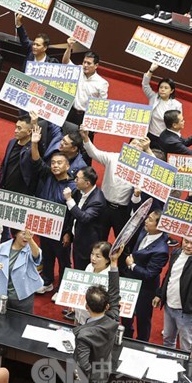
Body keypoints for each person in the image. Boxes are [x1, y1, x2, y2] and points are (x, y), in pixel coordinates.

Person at [72, 244, 124, 383]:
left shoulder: (84, 335)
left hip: (87, 381)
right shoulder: (112, 318)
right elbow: (115, 293)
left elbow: (84, 365)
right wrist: (115, 263)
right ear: (107, 306)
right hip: (102, 373)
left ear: (86, 307)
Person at [31, 124, 77, 294]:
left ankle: (62, 288)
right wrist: (35, 143)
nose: (55, 166)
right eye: (53, 163)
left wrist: (68, 233)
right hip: (44, 226)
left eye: (59, 163)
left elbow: (73, 214)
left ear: (67, 166)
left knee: (64, 259)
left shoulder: (73, 186)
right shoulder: (47, 175)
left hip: (61, 230)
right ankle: (48, 281)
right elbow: (36, 162)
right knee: (47, 255)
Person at [79, 129, 143, 239]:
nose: (136, 146)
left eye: (140, 145)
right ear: (127, 145)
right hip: (104, 205)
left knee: (122, 242)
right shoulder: (113, 158)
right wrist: (85, 137)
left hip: (122, 210)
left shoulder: (143, 167)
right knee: (99, 238)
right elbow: (94, 153)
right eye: (134, 143)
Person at [120, 208, 169, 341]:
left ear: (159, 226)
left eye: (150, 220)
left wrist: (132, 265)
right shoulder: (144, 231)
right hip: (130, 282)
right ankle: (125, 337)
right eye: (148, 218)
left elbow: (149, 274)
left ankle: (142, 343)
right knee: (125, 314)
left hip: (145, 289)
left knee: (143, 319)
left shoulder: (161, 250)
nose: (146, 221)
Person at [154, 238, 192, 351]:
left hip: (186, 311)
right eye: (186, 242)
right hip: (169, 306)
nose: (188, 246)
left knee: (186, 346)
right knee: (167, 339)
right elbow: (169, 276)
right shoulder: (176, 253)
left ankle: (185, 367)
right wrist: (160, 294)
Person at [63, 167, 106, 272]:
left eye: (77, 179)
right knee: (77, 268)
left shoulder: (98, 200)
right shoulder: (79, 192)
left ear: (87, 183)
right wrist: (69, 232)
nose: (75, 181)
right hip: (77, 239)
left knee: (85, 272)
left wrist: (69, 199)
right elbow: (73, 216)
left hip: (88, 246)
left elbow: (84, 218)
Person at [0, 228, 42, 312]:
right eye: (24, 234)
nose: (26, 237)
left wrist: (30, 240)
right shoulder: (2, 247)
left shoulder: (30, 247)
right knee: (2, 321)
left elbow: (37, 256)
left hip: (23, 296)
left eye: (29, 234)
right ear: (15, 234)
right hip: (4, 295)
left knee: (23, 322)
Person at [62, 44, 109, 127]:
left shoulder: (102, 83)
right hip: (70, 111)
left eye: (89, 63)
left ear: (96, 66)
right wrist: (69, 47)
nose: (85, 65)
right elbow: (65, 62)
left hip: (84, 117)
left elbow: (101, 105)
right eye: (84, 62)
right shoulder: (78, 70)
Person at [68, 242, 112, 322]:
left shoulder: (109, 276)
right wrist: (73, 304)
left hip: (93, 320)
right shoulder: (89, 267)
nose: (93, 258)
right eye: (92, 254)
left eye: (98, 256)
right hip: (79, 314)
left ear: (107, 259)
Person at [142, 63, 183, 146]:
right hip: (149, 134)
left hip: (165, 138)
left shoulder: (177, 105)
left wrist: (175, 139)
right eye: (161, 87)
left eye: (166, 88)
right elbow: (145, 84)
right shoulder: (153, 97)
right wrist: (151, 70)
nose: (162, 90)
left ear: (171, 91)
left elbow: (178, 124)